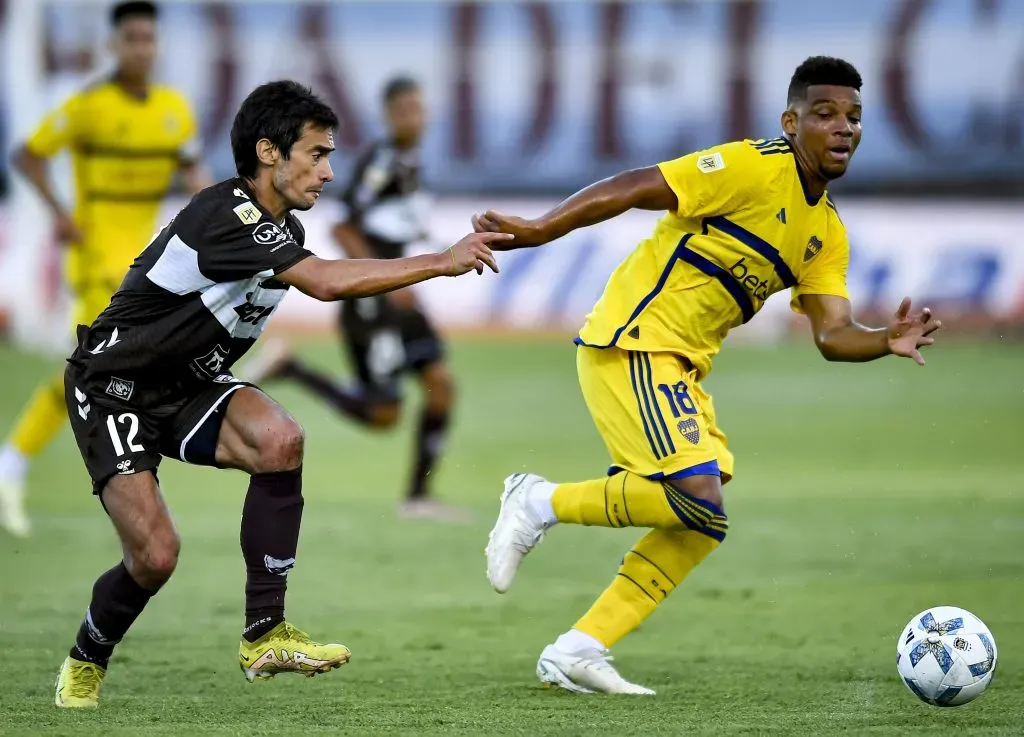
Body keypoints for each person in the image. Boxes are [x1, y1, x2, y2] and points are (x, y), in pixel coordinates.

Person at [478, 56, 941, 695]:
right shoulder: (755, 165)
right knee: (694, 497)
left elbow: (833, 335)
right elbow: (638, 185)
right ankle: (536, 500)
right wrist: (539, 228)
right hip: (634, 340)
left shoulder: (826, 232)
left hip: (681, 366)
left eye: (855, 118)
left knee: (702, 520)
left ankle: (580, 646)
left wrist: (883, 340)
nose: (843, 128)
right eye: (827, 114)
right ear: (791, 120)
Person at [53, 80, 506, 708]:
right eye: (316, 154)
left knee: (280, 437)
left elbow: (313, 272)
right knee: (156, 557)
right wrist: (440, 260)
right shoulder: (229, 213)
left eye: (329, 156)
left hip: (189, 386)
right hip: (115, 391)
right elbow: (322, 281)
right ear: (269, 152)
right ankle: (86, 658)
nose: (327, 171)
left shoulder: (276, 226)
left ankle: (264, 634)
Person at [0, 0, 209, 536]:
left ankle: (25, 463)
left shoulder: (173, 110)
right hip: (94, 262)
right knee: (101, 371)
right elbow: (26, 155)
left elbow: (194, 177)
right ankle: (19, 463)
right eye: (132, 38)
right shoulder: (89, 106)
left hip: (148, 268)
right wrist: (61, 215)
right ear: (113, 45)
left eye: (149, 38)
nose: (142, 47)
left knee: (103, 373)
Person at [244, 77, 467, 521]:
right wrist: (390, 280)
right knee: (384, 414)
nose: (412, 118)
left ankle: (418, 498)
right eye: (402, 109)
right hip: (374, 299)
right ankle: (293, 369)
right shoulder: (381, 160)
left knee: (440, 384)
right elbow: (344, 226)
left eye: (418, 109)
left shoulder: (411, 161)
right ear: (388, 116)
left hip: (400, 294)